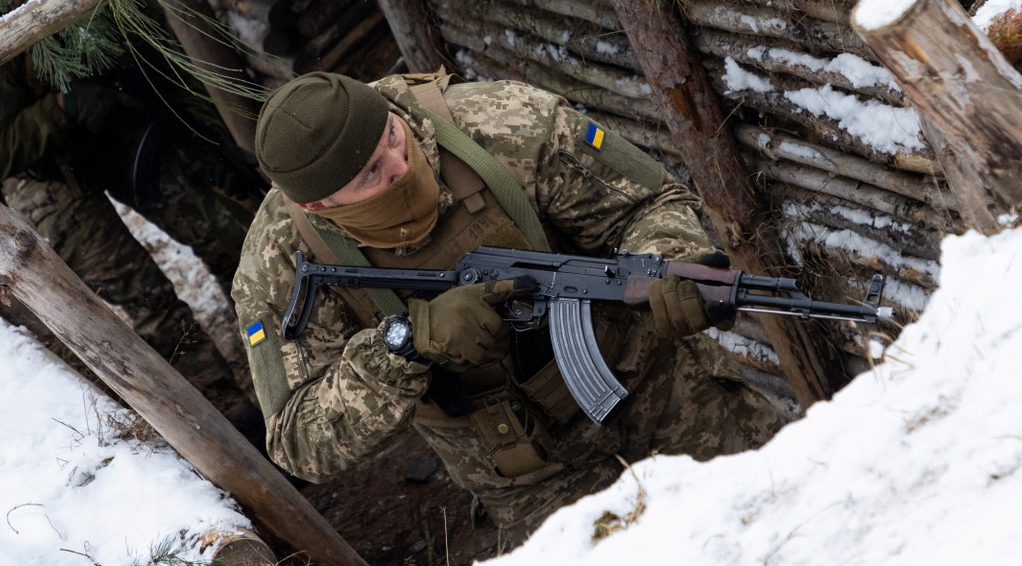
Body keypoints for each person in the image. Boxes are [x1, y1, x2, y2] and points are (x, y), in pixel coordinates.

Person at [231, 70, 783, 546]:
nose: (400, 164)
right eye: (371, 173)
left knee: (788, 515)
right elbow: (296, 441)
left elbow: (648, 202)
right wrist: (402, 344)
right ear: (317, 205)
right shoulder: (281, 264)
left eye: (393, 137)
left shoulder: (503, 123)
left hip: (660, 387)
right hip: (528, 477)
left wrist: (668, 264)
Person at [0, 49, 267, 445]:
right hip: (46, 176)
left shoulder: (87, 10)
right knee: (149, 300)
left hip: (117, 135)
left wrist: (206, 144)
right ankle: (235, 430)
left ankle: (273, 361)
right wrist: (60, 107)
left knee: (226, 238)